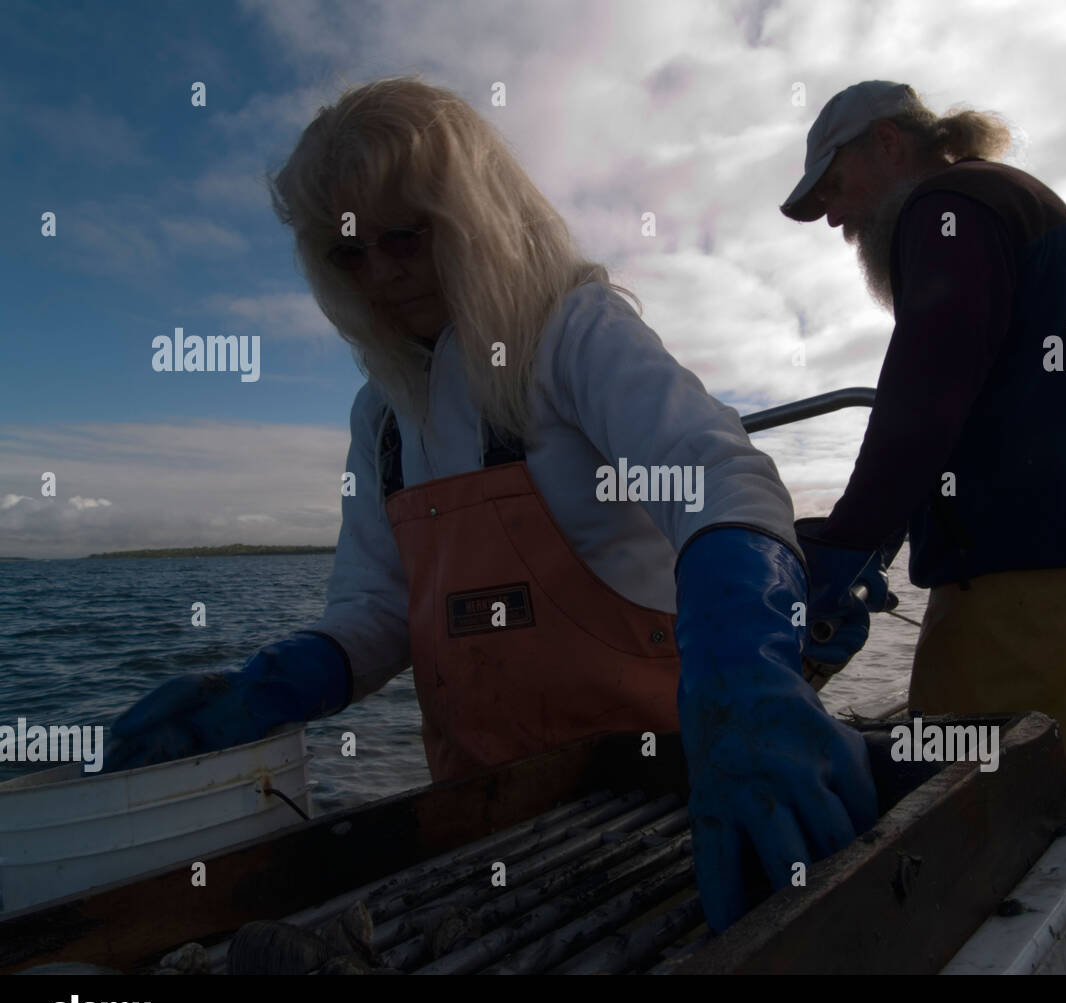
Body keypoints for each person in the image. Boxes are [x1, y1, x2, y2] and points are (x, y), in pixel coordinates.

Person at [103, 77, 880, 932]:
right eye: (347, 253)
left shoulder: (573, 334)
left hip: (676, 803)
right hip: (485, 831)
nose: (381, 276)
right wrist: (262, 688)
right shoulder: (383, 415)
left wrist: (745, 661)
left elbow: (720, 480)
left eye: (405, 237)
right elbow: (375, 608)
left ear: (474, 216)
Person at [784, 81, 1066, 816]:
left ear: (887, 144)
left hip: (1023, 589)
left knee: (977, 818)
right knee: (1057, 792)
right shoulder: (998, 198)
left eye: (834, 184)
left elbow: (922, 403)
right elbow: (959, 396)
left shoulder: (946, 209)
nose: (832, 216)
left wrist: (844, 545)